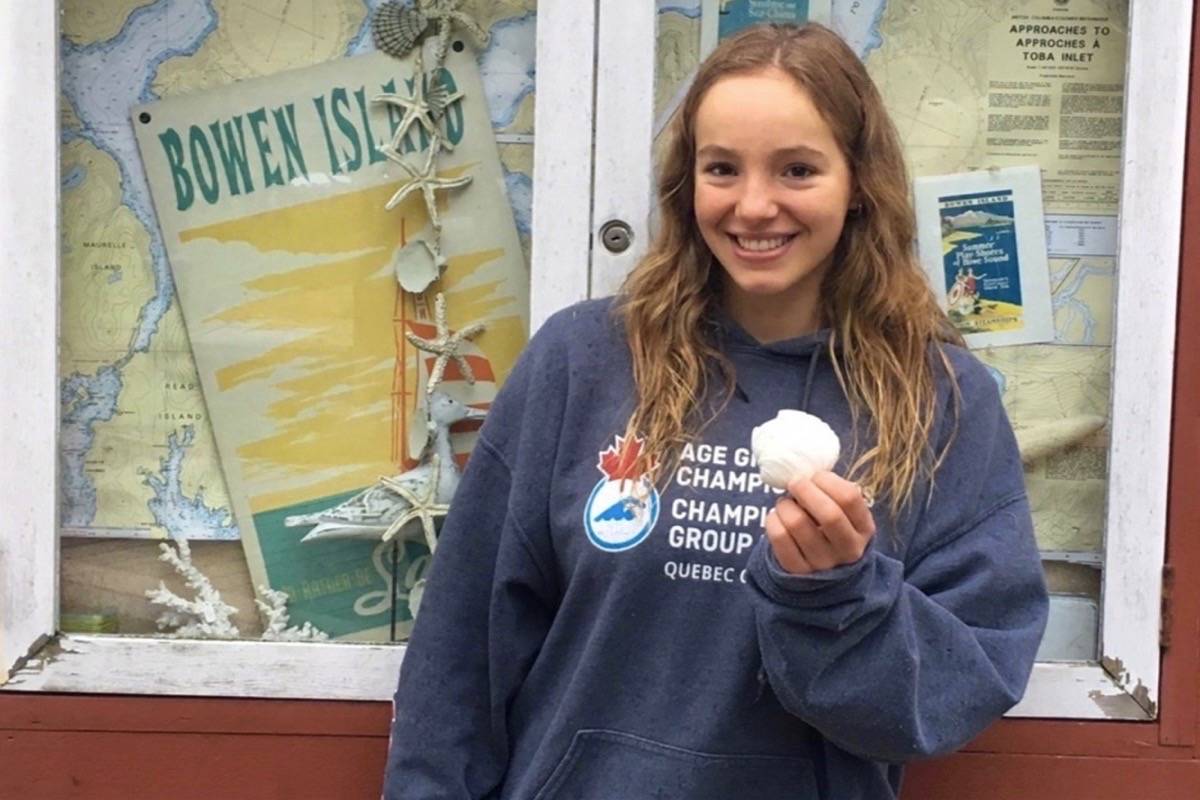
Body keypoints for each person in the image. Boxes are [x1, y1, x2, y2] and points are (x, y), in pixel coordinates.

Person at [383, 22, 1047, 800]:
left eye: (797, 170)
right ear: (686, 182)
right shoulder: (583, 362)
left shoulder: (941, 400)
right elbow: (459, 659)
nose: (754, 206)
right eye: (722, 168)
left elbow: (950, 696)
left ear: (859, 183)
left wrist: (837, 593)